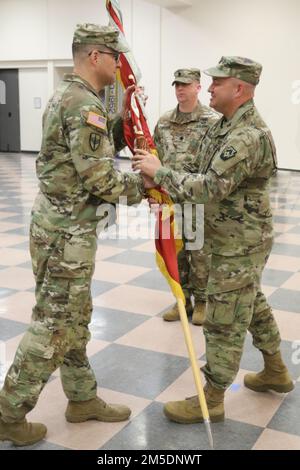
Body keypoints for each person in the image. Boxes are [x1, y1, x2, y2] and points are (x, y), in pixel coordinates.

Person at [0, 23, 145, 446]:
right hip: (67, 234)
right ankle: (9, 412)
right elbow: (101, 178)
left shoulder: (74, 97)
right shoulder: (83, 104)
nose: (120, 65)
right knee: (54, 324)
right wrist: (148, 186)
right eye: (116, 57)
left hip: (57, 227)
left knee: (74, 316)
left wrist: (121, 122)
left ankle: (82, 399)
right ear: (96, 56)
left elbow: (88, 150)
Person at [133, 56, 294, 424]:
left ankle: (213, 398)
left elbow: (209, 187)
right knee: (250, 299)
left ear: (239, 88)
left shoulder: (246, 136)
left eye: (217, 82)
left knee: (223, 318)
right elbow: (196, 171)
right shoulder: (224, 126)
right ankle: (275, 369)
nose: (209, 87)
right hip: (229, 235)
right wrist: (159, 177)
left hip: (239, 241)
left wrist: (160, 173)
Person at [154, 68, 218, 325]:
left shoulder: (212, 120)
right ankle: (183, 299)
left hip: (198, 198)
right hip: (170, 199)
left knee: (199, 250)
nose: (180, 89)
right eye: (177, 85)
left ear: (197, 87)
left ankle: (202, 301)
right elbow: (155, 156)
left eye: (186, 85)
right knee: (175, 250)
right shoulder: (165, 120)